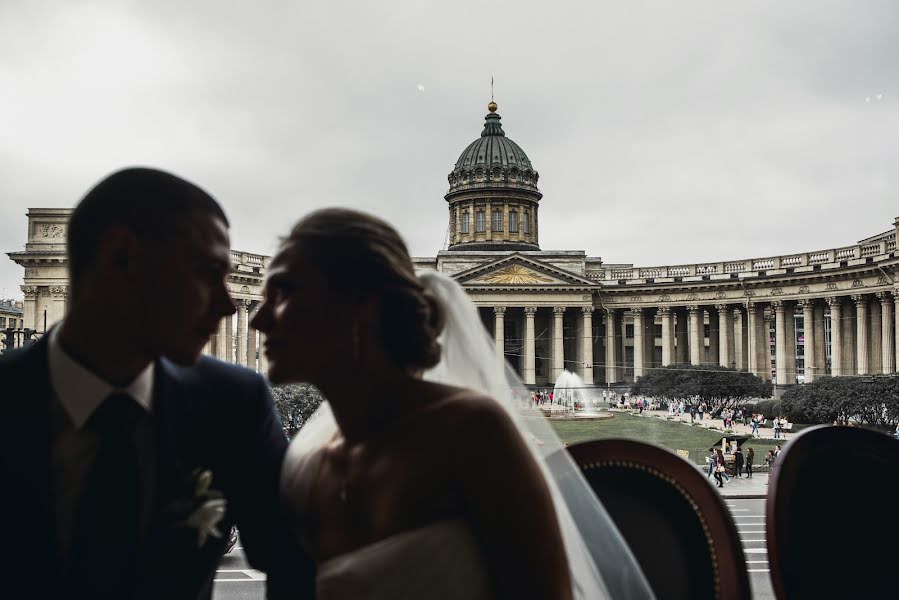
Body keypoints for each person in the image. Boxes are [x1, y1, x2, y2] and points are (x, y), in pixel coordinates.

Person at [252, 208, 651, 600]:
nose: (258, 319)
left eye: (285, 291)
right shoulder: (307, 455)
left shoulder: (472, 431)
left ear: (361, 304)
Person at [0, 168, 312, 600]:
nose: (227, 305)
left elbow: (296, 567)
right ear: (122, 254)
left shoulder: (234, 403)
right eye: (207, 273)